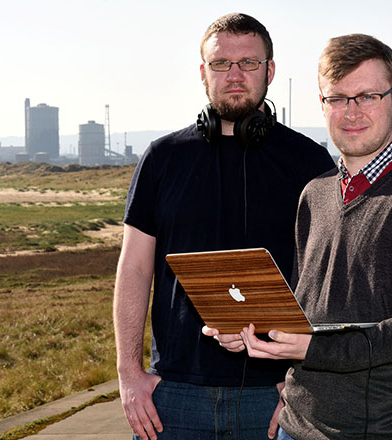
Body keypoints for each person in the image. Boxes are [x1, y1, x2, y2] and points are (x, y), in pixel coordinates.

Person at [206, 34, 392, 439]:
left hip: (386, 431)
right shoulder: (315, 194)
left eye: (367, 96)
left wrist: (314, 350)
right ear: (322, 104)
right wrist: (250, 327)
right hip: (296, 425)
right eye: (338, 98)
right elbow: (307, 308)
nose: (351, 112)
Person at [114, 13, 335, 440]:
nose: (234, 75)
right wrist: (129, 374)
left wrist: (300, 383)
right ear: (203, 73)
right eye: (220, 64)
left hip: (274, 395)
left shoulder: (309, 162)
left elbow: (326, 278)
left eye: (248, 63)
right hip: (174, 394)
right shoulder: (162, 158)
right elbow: (135, 269)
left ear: (269, 71)